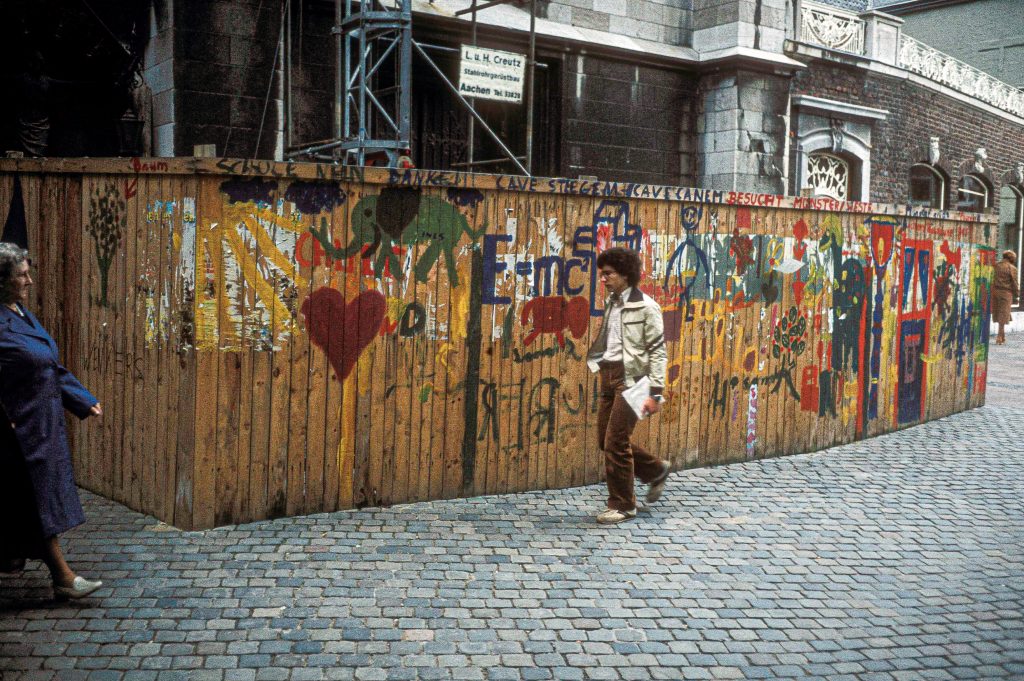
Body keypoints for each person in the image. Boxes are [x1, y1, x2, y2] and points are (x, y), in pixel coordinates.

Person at [0, 242, 104, 599]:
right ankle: (63, 577)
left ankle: (14, 557)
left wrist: (82, 399)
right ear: (2, 281)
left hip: (42, 425)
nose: (29, 281)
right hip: (17, 430)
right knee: (33, 502)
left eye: (28, 273)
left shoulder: (20, 314)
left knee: (29, 501)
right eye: (21, 275)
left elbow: (49, 365)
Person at [585, 247, 671, 524]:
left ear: (625, 274)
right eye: (602, 274)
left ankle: (623, 505)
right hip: (608, 375)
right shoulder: (612, 302)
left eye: (608, 274)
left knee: (616, 441)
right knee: (605, 440)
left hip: (633, 380)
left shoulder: (647, 306)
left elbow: (658, 351)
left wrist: (655, 393)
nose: (603, 279)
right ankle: (655, 470)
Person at [992, 250, 1019, 345]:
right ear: (1011, 258)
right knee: (1004, 314)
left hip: (995, 292)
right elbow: (1014, 283)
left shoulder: (996, 265)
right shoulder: (1012, 268)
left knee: (999, 313)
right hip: (1006, 293)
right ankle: (999, 337)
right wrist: (1017, 294)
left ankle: (1002, 336)